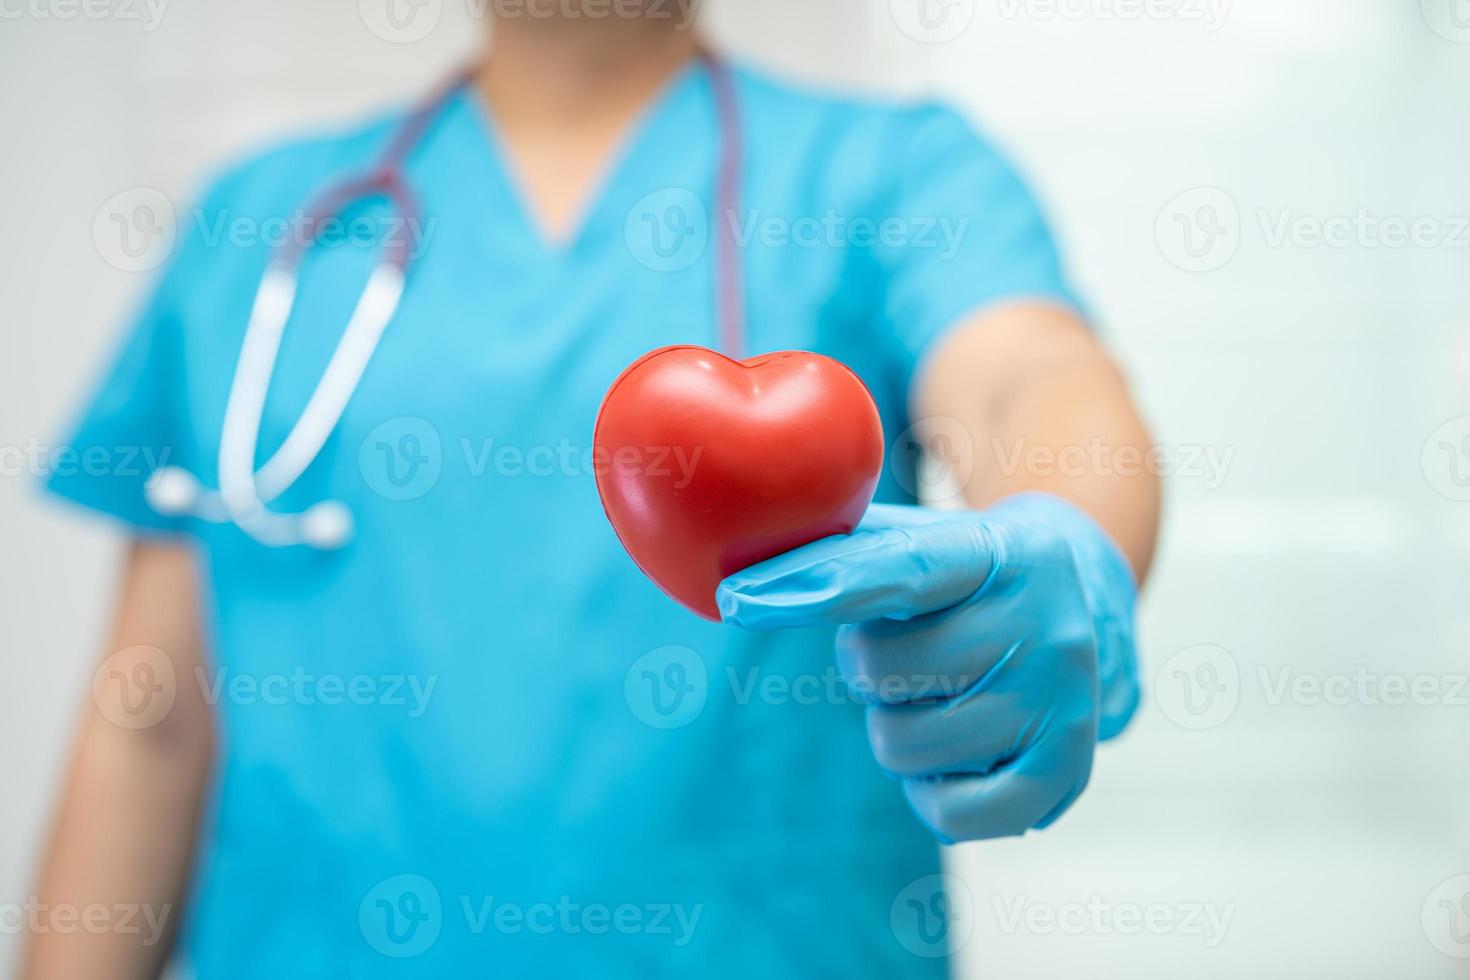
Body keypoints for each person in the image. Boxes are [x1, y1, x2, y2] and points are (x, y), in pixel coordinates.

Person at [24, 3, 1159, 977]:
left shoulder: (891, 171)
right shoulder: (255, 220)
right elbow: (152, 720)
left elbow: (1030, 382)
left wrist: (1059, 535)